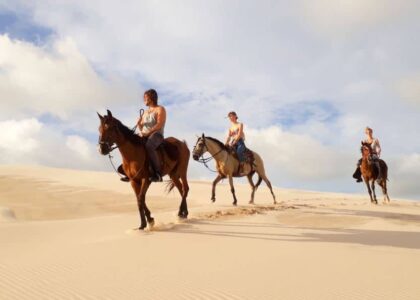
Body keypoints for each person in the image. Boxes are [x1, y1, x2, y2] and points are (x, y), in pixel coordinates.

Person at [137, 89, 166, 182]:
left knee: (149, 146)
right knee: (131, 143)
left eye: (145, 97)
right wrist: (139, 124)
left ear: (151, 97)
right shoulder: (145, 112)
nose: (144, 99)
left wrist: (148, 133)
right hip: (145, 134)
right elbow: (141, 129)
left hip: (156, 134)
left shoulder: (160, 109)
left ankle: (158, 173)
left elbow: (159, 124)